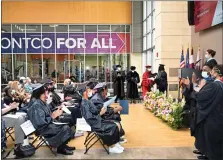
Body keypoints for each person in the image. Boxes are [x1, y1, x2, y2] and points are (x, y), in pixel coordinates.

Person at [27, 84, 75, 155]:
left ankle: (63, 145)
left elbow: (48, 114)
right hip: (43, 128)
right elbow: (40, 122)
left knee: (69, 123)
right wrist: (53, 116)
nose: (47, 94)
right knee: (65, 128)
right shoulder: (36, 105)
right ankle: (60, 148)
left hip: (49, 124)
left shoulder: (42, 102)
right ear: (41, 94)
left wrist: (56, 113)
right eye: (46, 92)